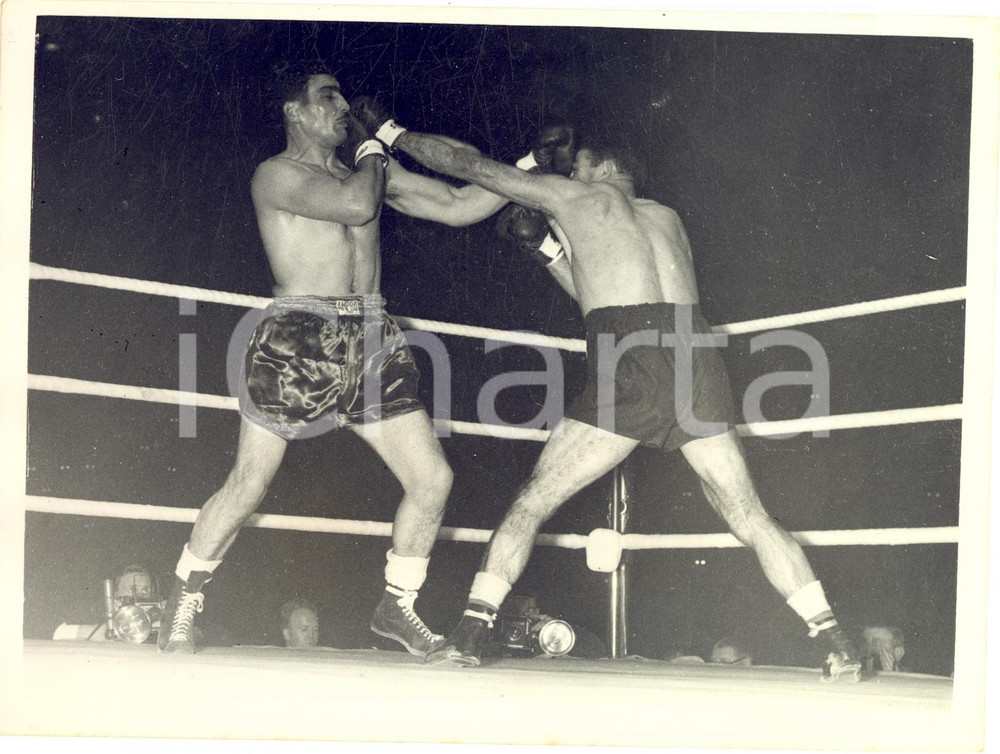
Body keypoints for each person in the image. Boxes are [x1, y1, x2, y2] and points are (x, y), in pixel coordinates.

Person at [349, 100, 863, 682]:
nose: (566, 177)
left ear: (595, 169)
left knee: (534, 498)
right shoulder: (666, 217)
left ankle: (472, 628)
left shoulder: (579, 198)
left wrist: (392, 132)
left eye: (575, 169)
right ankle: (834, 640)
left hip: (631, 356)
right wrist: (546, 251)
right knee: (746, 511)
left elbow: (471, 168)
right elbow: (606, 284)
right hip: (697, 357)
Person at [157, 62, 509, 655]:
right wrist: (376, 145)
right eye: (328, 97)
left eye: (344, 97)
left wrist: (529, 170)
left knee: (433, 479)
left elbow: (458, 204)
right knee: (248, 485)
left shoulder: (367, 172)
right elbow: (351, 206)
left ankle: (397, 606)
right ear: (295, 111)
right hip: (298, 337)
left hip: (372, 336)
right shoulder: (278, 176)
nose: (342, 106)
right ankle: (184, 597)